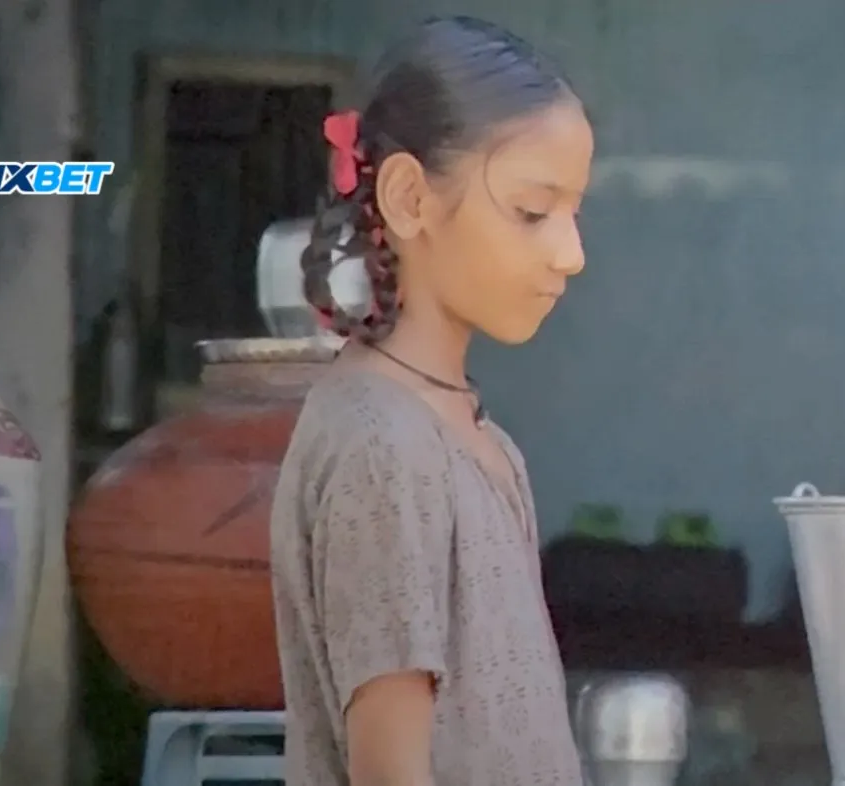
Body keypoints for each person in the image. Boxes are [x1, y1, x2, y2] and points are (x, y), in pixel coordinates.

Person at [269, 16, 592, 786]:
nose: (572, 254)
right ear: (409, 197)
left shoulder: (479, 442)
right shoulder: (384, 448)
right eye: (532, 211)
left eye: (575, 212)